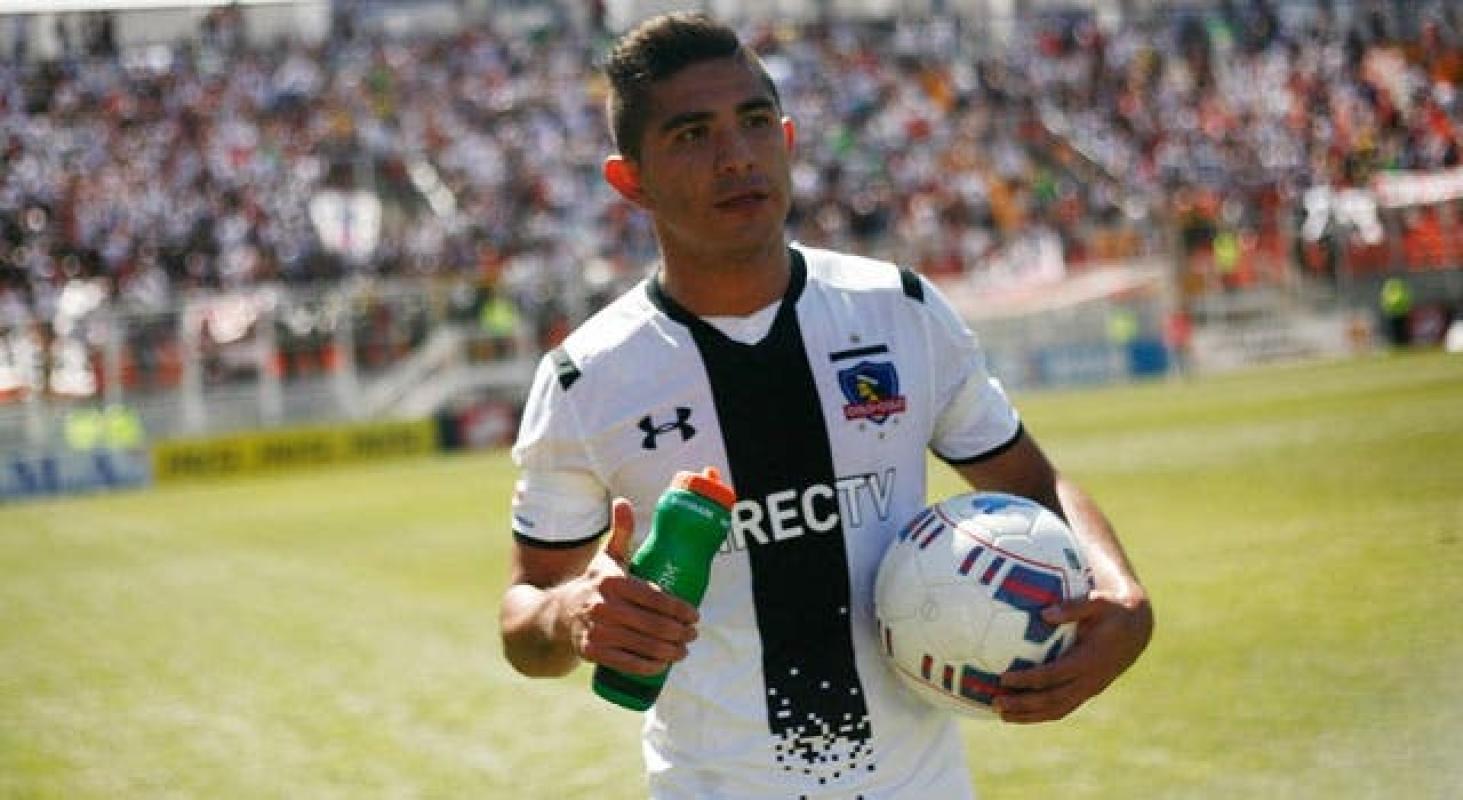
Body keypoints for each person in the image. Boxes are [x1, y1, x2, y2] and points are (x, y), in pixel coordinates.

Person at [498, 13, 1153, 799]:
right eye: (691, 135)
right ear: (629, 180)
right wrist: (569, 614)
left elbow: (1032, 485)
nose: (736, 156)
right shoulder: (587, 378)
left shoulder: (897, 310)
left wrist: (1122, 594)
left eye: (753, 123)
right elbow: (524, 612)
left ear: (787, 138)